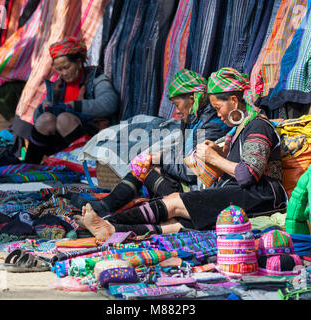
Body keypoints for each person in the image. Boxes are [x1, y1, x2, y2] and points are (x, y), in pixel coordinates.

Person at [77, 67, 288, 241]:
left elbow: (247, 174)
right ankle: (112, 230)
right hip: (240, 192)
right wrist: (215, 156)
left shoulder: (258, 126)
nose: (218, 114)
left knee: (176, 202)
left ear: (233, 102)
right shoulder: (239, 129)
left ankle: (107, 221)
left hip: (261, 196)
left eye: (218, 107)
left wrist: (214, 158)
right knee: (175, 225)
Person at [72, 69, 230, 216]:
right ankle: (108, 205)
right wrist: (160, 156)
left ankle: (109, 206)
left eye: (177, 105)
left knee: (147, 166)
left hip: (198, 193)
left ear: (191, 99)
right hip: (188, 183)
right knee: (146, 162)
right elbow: (183, 155)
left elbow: (193, 172)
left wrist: (159, 159)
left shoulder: (211, 125)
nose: (176, 111)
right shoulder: (193, 119)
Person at [25, 37, 119, 164]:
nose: (63, 73)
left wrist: (77, 106)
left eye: (67, 67)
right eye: (59, 69)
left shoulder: (96, 79)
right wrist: (42, 108)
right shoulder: (58, 87)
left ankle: (83, 164)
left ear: (79, 62)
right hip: (60, 142)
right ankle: (30, 164)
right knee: (45, 119)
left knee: (64, 119)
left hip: (92, 139)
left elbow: (110, 103)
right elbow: (37, 120)